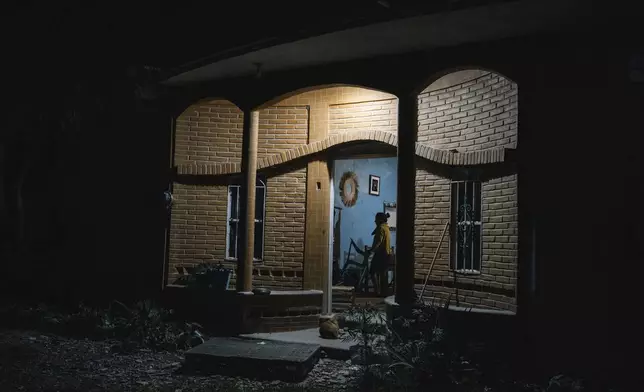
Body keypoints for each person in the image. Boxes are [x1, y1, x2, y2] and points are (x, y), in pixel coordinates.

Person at [367, 212, 391, 296]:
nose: (375, 221)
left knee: (372, 272)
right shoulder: (386, 228)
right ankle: (382, 292)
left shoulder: (381, 228)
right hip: (386, 254)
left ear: (379, 220)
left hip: (381, 254)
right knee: (382, 274)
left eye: (376, 220)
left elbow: (378, 241)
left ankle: (377, 291)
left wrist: (372, 250)